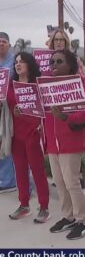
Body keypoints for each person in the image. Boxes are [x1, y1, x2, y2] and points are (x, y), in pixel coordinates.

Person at [45, 50, 85, 240]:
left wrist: (65, 117)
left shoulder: (78, 84)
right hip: (53, 143)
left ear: (70, 65)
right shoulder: (46, 85)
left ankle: (83, 221)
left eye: (59, 61)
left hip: (71, 142)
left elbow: (84, 113)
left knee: (72, 182)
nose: (54, 64)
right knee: (60, 182)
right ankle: (68, 216)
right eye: (52, 61)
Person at [6, 52, 50, 222]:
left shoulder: (38, 84)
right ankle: (24, 205)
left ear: (30, 64)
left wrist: (41, 125)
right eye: (16, 62)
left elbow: (46, 107)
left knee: (38, 170)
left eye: (22, 61)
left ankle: (44, 207)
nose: (18, 64)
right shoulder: (10, 84)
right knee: (20, 170)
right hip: (16, 134)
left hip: (34, 132)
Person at [0, 32, 16, 193]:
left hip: (10, 109)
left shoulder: (14, 62)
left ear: (9, 44)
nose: (1, 44)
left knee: (8, 141)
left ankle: (8, 180)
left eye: (4, 41)